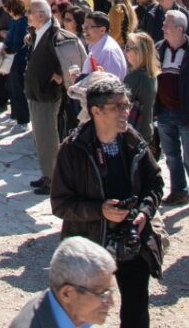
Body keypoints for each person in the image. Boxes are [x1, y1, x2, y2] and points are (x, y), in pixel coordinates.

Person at [51, 78, 165, 328]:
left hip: (132, 240)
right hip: (90, 243)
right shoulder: (73, 149)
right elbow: (60, 204)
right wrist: (100, 211)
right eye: (118, 107)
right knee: (82, 314)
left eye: (127, 105)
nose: (126, 112)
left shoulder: (133, 141)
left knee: (136, 312)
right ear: (96, 111)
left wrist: (144, 212)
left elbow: (155, 183)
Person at [27, 0, 87, 198]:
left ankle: (53, 179)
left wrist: (60, 77)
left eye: (30, 12)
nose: (28, 15)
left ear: (41, 15)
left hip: (47, 95)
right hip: (36, 93)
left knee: (48, 138)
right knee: (40, 137)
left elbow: (72, 62)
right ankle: (46, 175)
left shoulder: (56, 36)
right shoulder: (39, 33)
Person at [153, 10, 189, 210]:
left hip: (188, 114)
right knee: (171, 156)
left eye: (167, 25)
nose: (163, 27)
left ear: (179, 29)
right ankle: (179, 192)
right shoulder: (158, 49)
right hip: (164, 112)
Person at [9, 236, 119, 328]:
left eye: (110, 291)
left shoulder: (76, 314)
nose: (111, 303)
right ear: (67, 293)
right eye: (102, 294)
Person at [121, 32, 157, 142]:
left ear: (139, 52)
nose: (125, 52)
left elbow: (118, 102)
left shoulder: (135, 77)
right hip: (146, 130)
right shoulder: (151, 74)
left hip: (134, 133)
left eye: (128, 48)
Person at [83, 12, 127, 79]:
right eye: (84, 26)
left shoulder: (109, 51)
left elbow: (111, 82)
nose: (84, 30)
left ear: (102, 30)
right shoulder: (96, 46)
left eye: (89, 27)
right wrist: (80, 79)